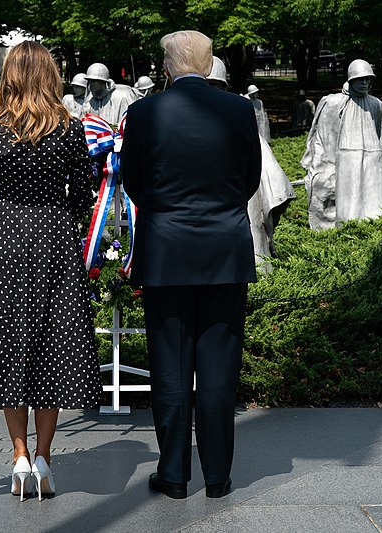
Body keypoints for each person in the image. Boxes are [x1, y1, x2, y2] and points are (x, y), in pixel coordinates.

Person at [120, 30, 261, 500]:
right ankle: (218, 477)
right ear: (209, 64)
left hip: (166, 252)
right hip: (224, 251)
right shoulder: (240, 110)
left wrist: (167, 215)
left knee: (170, 369)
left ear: (166, 67)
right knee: (220, 370)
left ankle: (175, 474)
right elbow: (250, 179)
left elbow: (133, 180)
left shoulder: (142, 112)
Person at [0, 41, 100, 502]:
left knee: (9, 340)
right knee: (51, 343)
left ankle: (18, 455)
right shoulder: (68, 128)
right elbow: (83, 195)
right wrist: (59, 214)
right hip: (55, 236)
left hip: (4, 238)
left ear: (10, 75)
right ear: (50, 76)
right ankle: (43, 456)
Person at [208, 60, 295, 271]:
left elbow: (266, 166)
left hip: (243, 203)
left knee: (252, 252)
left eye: (215, 86)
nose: (210, 92)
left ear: (224, 88)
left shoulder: (240, 120)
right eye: (206, 85)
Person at [301, 59, 382, 230]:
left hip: (372, 160)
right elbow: (324, 137)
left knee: (378, 208)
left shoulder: (376, 104)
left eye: (368, 79)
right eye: (360, 79)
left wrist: (381, 162)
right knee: (350, 210)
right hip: (347, 161)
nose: (364, 83)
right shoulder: (334, 103)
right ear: (351, 80)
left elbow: (380, 136)